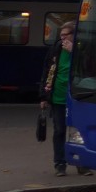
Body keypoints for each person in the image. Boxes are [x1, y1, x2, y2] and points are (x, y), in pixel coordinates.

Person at [39, 21, 91, 176]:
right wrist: (43, 96)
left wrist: (75, 53)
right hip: (58, 97)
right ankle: (60, 164)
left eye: (65, 35)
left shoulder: (83, 50)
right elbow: (47, 71)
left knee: (79, 133)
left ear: (74, 35)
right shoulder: (56, 50)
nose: (62, 38)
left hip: (77, 98)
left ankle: (81, 163)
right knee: (59, 131)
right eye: (60, 35)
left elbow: (89, 69)